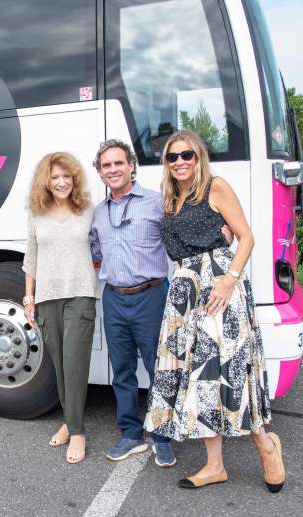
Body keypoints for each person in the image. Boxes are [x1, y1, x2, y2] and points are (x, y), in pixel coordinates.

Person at [143, 130, 285, 492]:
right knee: (198, 375)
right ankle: (215, 466)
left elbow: (247, 237)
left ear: (199, 156)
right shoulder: (171, 197)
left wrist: (229, 279)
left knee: (232, 367)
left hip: (220, 284)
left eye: (186, 155)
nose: (179, 162)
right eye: (172, 157)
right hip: (186, 290)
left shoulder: (215, 187)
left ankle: (266, 446)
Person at [89, 139, 176, 467]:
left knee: (159, 368)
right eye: (106, 165)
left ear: (131, 166)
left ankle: (163, 435)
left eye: (118, 163)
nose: (112, 169)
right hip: (114, 298)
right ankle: (130, 433)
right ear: (100, 172)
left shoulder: (157, 203)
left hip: (152, 295)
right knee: (122, 369)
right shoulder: (98, 213)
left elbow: (177, 240)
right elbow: (96, 254)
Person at [23, 152, 97, 464]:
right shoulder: (36, 213)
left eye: (67, 176)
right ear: (46, 181)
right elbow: (31, 256)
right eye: (55, 177)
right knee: (60, 365)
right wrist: (29, 298)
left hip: (80, 294)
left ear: (75, 179)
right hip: (47, 297)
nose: (62, 182)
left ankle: (78, 432)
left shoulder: (88, 209)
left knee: (75, 365)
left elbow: (102, 245)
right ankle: (69, 422)